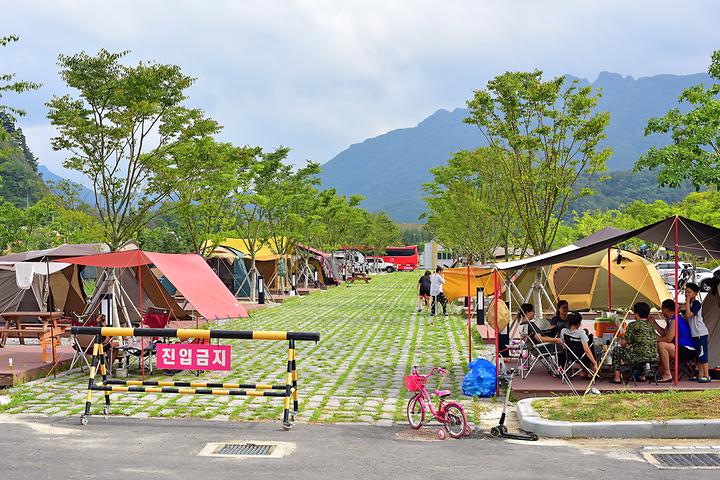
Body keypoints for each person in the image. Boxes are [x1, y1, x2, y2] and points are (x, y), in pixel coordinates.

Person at [610, 302, 659, 384]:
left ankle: (617, 377)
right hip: (654, 356)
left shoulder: (633, 325)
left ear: (637, 314)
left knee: (617, 350)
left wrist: (623, 341)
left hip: (638, 357)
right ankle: (641, 376)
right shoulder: (651, 325)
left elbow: (623, 344)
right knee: (640, 350)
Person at [655, 299, 694, 382]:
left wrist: (657, 340)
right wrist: (654, 324)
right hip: (680, 347)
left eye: (662, 309)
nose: (662, 312)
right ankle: (661, 372)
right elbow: (664, 334)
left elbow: (668, 339)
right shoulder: (672, 319)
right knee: (662, 344)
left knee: (662, 345)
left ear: (666, 309)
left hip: (686, 350)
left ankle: (667, 374)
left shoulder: (675, 319)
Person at [681, 283, 711, 383]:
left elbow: (689, 315)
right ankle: (700, 374)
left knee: (702, 354)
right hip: (694, 334)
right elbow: (686, 317)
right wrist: (682, 310)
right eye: (686, 292)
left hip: (700, 333)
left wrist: (688, 302)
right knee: (698, 355)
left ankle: (707, 375)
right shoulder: (689, 305)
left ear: (695, 294)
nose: (687, 294)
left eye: (689, 292)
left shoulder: (696, 303)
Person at [560, 312, 598, 378]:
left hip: (571, 356)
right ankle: (591, 372)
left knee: (579, 352)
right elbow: (586, 350)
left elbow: (563, 345)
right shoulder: (581, 333)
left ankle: (582, 371)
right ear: (578, 324)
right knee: (596, 352)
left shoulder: (563, 331)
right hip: (583, 357)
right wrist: (595, 363)